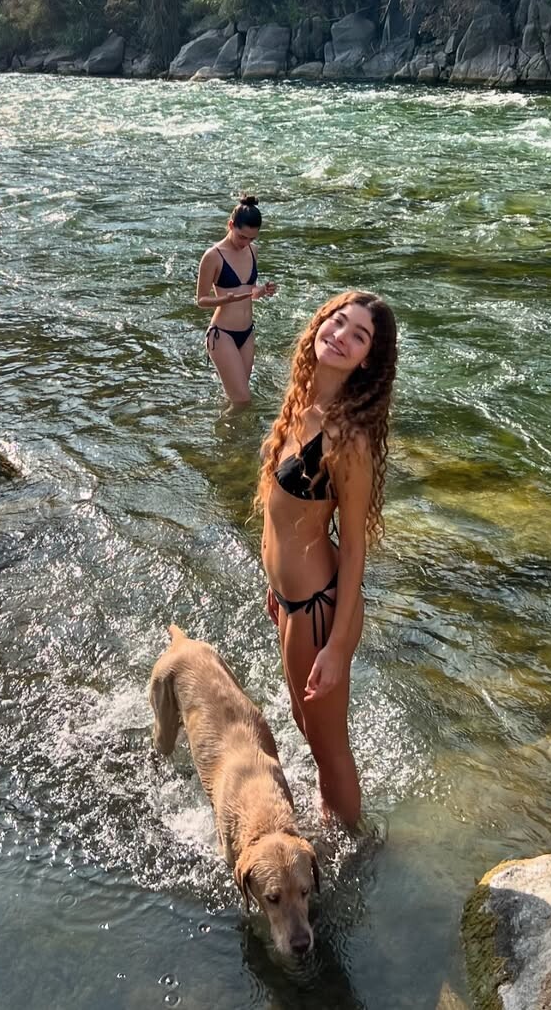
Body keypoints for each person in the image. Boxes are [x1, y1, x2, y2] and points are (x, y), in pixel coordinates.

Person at [255, 291, 397, 828]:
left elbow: (355, 547)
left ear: (367, 361)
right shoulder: (304, 404)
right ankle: (330, 815)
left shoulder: (348, 440)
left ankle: (357, 849)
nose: (341, 336)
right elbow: (282, 515)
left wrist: (337, 647)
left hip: (319, 607)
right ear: (319, 323)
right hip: (292, 600)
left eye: (359, 336)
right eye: (338, 322)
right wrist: (275, 585)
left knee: (329, 748)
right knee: (305, 721)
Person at [196, 194, 277, 404]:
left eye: (252, 238)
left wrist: (262, 290)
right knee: (242, 400)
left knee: (236, 398)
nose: (246, 243)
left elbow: (249, 291)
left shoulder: (252, 250)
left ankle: (223, 423)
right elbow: (201, 300)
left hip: (247, 333)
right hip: (222, 334)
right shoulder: (213, 256)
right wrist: (225, 300)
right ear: (231, 225)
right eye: (242, 237)